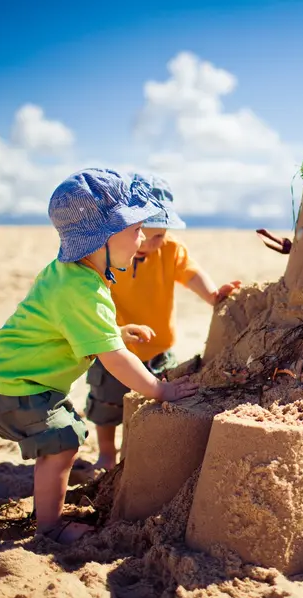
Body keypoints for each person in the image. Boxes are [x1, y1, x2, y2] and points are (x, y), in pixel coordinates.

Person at [0, 168, 198, 544]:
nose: (142, 239)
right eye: (135, 229)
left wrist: (116, 334)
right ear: (103, 237)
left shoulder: (71, 274)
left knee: (64, 440)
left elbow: (77, 329)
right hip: (12, 389)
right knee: (64, 440)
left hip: (2, 380)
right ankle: (50, 527)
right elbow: (113, 359)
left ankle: (49, 512)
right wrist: (161, 391)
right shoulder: (83, 290)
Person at [85, 173, 240, 470]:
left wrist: (211, 295)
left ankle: (144, 452)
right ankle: (106, 453)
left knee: (163, 400)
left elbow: (190, 273)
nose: (148, 242)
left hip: (158, 349)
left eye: (159, 235)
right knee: (106, 403)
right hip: (113, 345)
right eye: (142, 232)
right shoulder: (112, 252)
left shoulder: (170, 250)